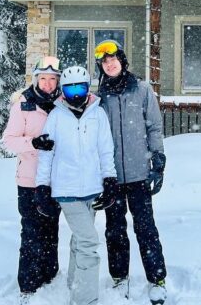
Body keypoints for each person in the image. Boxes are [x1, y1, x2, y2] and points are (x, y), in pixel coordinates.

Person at [34, 66, 118, 305]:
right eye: (70, 89)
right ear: (63, 91)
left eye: (80, 88)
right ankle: (85, 299)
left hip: (92, 188)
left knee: (80, 239)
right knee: (89, 242)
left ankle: (74, 281)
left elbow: (105, 150)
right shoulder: (56, 116)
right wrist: (42, 186)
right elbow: (46, 155)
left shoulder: (97, 113)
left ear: (87, 88)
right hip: (67, 190)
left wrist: (109, 180)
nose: (76, 94)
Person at [93, 39, 168, 305]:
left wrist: (157, 160)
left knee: (146, 228)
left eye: (113, 59)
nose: (109, 64)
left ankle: (157, 279)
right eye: (104, 62)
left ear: (122, 61)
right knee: (114, 230)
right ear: (101, 67)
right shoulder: (99, 98)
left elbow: (154, 128)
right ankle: (119, 277)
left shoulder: (142, 90)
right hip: (111, 177)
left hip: (138, 174)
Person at [2, 56, 63, 303]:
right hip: (29, 181)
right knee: (31, 233)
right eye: (43, 78)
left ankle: (49, 276)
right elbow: (9, 140)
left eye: (52, 79)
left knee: (51, 230)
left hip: (55, 181)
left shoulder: (62, 103)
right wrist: (33, 144)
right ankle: (28, 285)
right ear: (36, 79)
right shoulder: (24, 104)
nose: (47, 84)